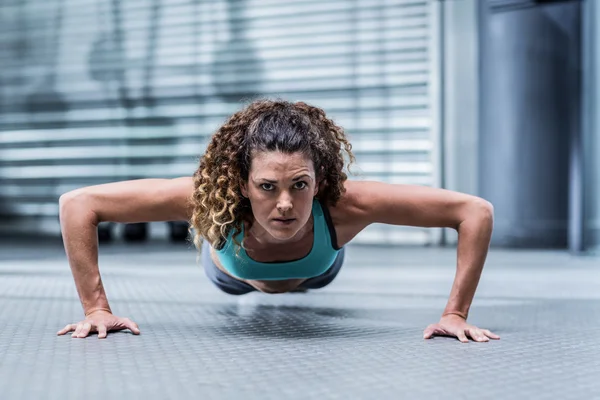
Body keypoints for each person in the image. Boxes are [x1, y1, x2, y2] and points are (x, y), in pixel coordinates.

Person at [57, 99, 500, 343]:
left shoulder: (348, 204)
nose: (285, 203)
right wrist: (97, 309)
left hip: (318, 271)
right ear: (243, 183)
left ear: (320, 179)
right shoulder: (206, 198)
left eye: (300, 186)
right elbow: (78, 204)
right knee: (225, 263)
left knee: (320, 259)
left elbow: (473, 211)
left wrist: (455, 314)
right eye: (268, 186)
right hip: (233, 276)